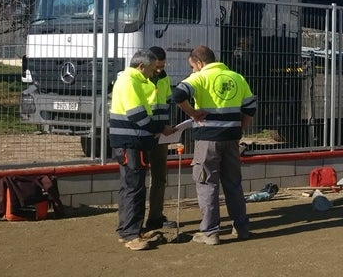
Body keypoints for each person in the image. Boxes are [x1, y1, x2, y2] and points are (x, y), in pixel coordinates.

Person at [172, 46, 257, 245]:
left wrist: (192, 113)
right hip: (231, 137)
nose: (192, 71)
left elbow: (177, 95)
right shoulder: (236, 77)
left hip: (208, 138)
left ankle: (210, 232)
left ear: (200, 63)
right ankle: (242, 228)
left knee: (207, 183)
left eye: (193, 67)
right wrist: (239, 130)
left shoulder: (200, 77)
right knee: (233, 184)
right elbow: (250, 108)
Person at [110, 49, 174, 251]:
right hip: (131, 141)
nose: (152, 74)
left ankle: (129, 230)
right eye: (151, 69)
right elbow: (137, 114)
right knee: (134, 188)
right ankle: (131, 234)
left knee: (131, 186)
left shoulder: (130, 79)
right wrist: (158, 129)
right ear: (141, 67)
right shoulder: (131, 81)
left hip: (131, 141)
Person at [144, 46, 176, 231]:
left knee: (160, 178)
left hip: (160, 136)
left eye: (162, 66)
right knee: (138, 179)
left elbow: (167, 104)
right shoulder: (138, 80)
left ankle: (155, 217)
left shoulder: (164, 78)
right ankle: (135, 221)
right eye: (156, 67)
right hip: (143, 134)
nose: (159, 70)